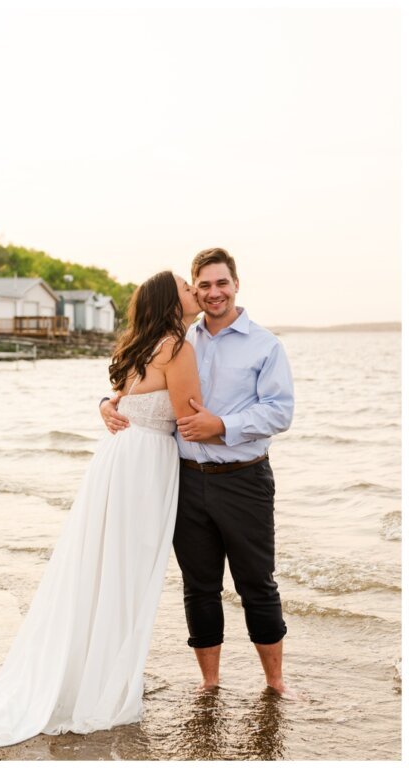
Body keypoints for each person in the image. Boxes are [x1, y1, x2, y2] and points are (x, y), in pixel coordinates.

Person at [0, 271, 203, 756]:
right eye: (185, 286)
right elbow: (191, 417)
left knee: (102, 570)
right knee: (126, 574)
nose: (194, 291)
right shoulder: (176, 347)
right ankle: (103, 684)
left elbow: (123, 401)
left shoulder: (142, 346)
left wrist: (106, 406)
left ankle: (99, 672)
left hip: (118, 461)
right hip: (145, 466)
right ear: (169, 299)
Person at [100, 247, 294, 695]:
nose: (213, 292)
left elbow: (280, 413)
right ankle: (209, 683)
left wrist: (222, 425)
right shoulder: (178, 337)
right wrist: (105, 405)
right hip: (184, 478)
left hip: (244, 477)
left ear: (236, 284)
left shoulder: (265, 345)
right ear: (193, 290)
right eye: (202, 285)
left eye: (221, 282)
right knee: (199, 586)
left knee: (256, 583)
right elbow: (135, 386)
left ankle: (277, 683)